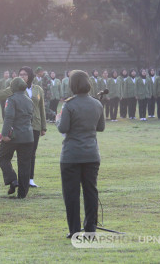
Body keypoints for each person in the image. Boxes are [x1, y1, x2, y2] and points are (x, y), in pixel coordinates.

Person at [56, 70, 105, 238]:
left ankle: (75, 229)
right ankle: (91, 228)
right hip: (91, 153)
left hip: (71, 155)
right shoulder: (97, 104)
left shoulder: (69, 104)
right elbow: (101, 127)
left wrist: (57, 119)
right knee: (91, 192)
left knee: (71, 194)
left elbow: (63, 128)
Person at [0, 77, 34, 198]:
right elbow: (31, 118)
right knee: (24, 165)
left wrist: (4, 134)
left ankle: (13, 180)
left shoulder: (11, 99)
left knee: (2, 157)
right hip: (28, 136)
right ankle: (22, 194)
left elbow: (9, 117)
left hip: (13, 136)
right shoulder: (29, 100)